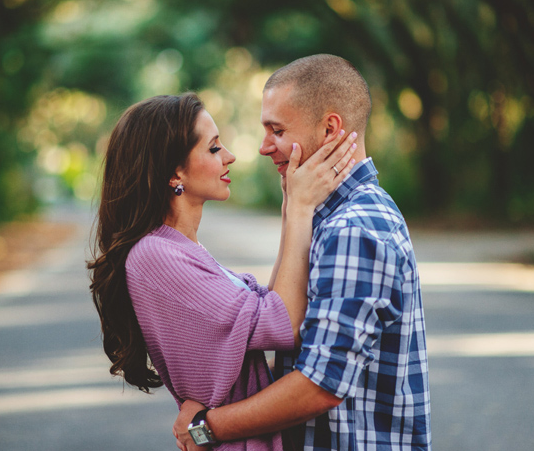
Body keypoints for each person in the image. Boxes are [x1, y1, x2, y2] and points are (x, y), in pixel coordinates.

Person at [174, 55, 432, 451]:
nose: (263, 147)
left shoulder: (354, 228)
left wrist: (209, 426)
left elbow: (320, 385)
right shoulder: (326, 218)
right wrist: (294, 212)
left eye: (276, 130)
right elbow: (278, 324)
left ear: (330, 129)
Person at [88, 92, 358, 451]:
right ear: (174, 172)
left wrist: (291, 209)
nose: (229, 156)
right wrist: (301, 210)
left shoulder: (180, 247)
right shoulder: (156, 255)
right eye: (214, 149)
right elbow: (283, 324)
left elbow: (268, 304)